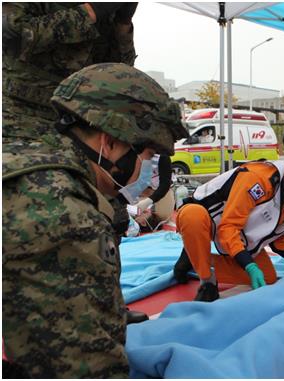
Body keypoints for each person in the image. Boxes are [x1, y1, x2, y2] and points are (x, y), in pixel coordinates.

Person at [2, 63, 188, 378]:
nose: (145, 168)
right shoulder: (67, 215)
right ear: (111, 143)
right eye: (145, 155)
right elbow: (85, 367)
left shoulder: (24, 160)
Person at [172, 144, 284, 302]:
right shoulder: (257, 179)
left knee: (268, 277)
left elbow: (281, 240)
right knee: (192, 216)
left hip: (237, 234)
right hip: (211, 221)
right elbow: (229, 227)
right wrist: (248, 264)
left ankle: (194, 258)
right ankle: (207, 280)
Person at [2, 2, 138, 142]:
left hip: (73, 122)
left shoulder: (109, 11)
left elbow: (117, 73)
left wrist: (123, 24)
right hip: (17, 115)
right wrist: (90, 12)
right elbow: (13, 35)